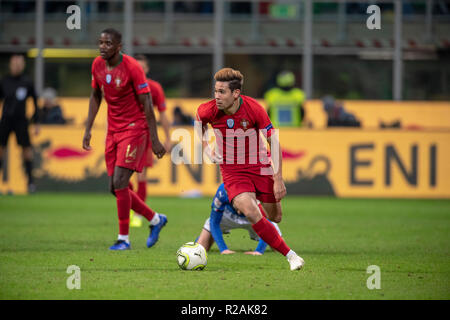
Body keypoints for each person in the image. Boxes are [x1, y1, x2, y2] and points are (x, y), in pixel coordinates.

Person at [196, 67, 304, 271]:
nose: (217, 96)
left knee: (275, 217)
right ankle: (291, 256)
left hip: (260, 166)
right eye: (216, 91)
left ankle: (263, 224)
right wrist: (206, 148)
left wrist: (278, 178)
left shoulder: (254, 109)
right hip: (233, 172)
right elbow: (199, 122)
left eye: (222, 92)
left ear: (236, 93)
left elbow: (274, 141)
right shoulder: (208, 110)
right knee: (250, 210)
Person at [82, 28, 167, 250]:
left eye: (108, 43)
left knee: (120, 182)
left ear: (118, 47)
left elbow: (147, 103)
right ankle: (156, 219)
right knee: (115, 187)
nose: (102, 46)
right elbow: (95, 95)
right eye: (100, 42)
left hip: (134, 128)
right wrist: (88, 127)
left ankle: (123, 239)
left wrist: (155, 139)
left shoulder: (132, 67)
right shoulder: (97, 65)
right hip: (113, 131)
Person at [129, 54, 172, 228]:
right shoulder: (126, 87)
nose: (139, 70)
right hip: (125, 133)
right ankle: (135, 205)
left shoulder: (154, 88)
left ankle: (138, 214)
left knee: (141, 174)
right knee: (119, 178)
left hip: (144, 135)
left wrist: (168, 138)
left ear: (146, 69)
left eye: (142, 67)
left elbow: (162, 114)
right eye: (136, 67)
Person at [196, 183, 282, 255]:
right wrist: (224, 249)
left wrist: (259, 251)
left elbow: (267, 223)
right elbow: (214, 222)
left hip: (253, 215)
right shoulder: (223, 191)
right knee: (199, 248)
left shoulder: (256, 194)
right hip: (228, 216)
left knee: (278, 249)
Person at [0, 54, 40, 193]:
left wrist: (36, 123)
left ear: (23, 65)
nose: (17, 65)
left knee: (27, 151)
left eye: (19, 63)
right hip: (5, 120)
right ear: (10, 65)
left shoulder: (27, 82)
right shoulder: (4, 81)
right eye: (14, 63)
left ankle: (30, 183)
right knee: (1, 149)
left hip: (21, 121)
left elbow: (35, 102)